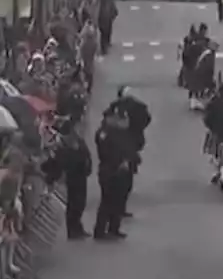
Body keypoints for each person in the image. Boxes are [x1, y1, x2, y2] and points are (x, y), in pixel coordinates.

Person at [93, 109, 136, 240]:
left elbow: (128, 148)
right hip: (109, 170)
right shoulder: (104, 133)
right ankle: (99, 231)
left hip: (120, 171)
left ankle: (114, 228)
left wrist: (129, 159)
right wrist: (119, 162)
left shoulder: (118, 132)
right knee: (107, 201)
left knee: (117, 201)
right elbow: (106, 153)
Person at [109, 86, 151, 218]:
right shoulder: (138, 106)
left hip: (120, 147)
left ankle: (118, 207)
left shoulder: (115, 107)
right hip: (129, 143)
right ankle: (119, 207)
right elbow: (147, 118)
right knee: (126, 179)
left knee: (122, 177)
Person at [47, 121, 91, 239]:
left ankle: (78, 227)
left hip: (81, 175)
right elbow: (61, 163)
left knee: (81, 203)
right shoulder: (61, 146)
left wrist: (87, 167)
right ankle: (72, 230)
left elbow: (87, 155)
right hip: (72, 177)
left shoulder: (79, 141)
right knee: (74, 204)